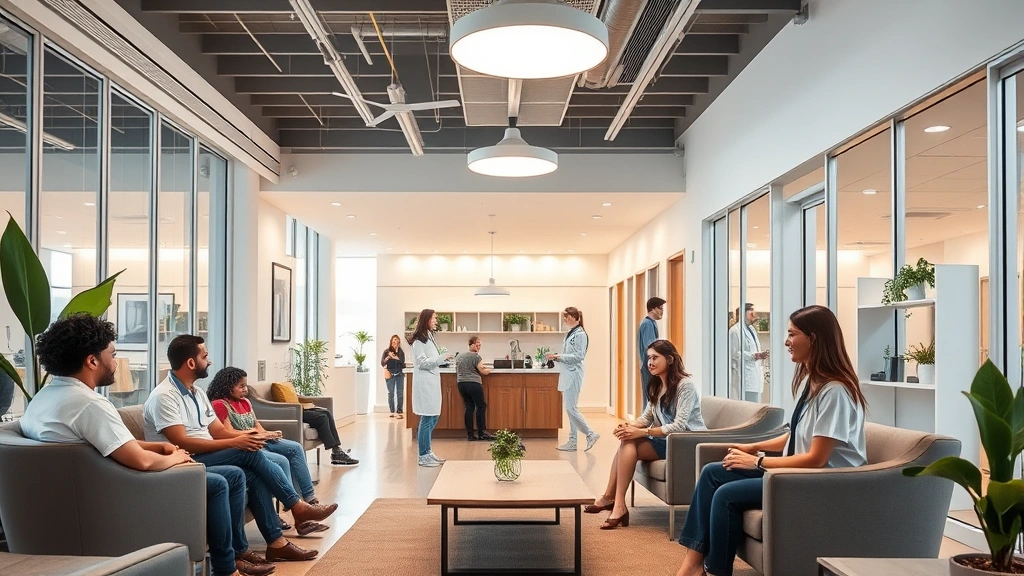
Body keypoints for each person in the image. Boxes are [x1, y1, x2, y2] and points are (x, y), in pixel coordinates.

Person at [19, 314, 264, 576]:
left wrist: (160, 447)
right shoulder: (90, 404)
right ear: (92, 360)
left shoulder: (43, 398)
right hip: (115, 498)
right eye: (112, 355)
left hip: (77, 497)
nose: (115, 363)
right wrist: (178, 457)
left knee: (229, 475)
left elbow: (110, 444)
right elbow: (142, 462)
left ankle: (230, 562)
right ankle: (226, 569)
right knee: (218, 482)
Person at [675, 305, 867, 576]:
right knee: (711, 473)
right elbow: (797, 433)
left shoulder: (834, 391)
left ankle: (715, 570)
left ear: (814, 338)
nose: (786, 342)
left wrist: (758, 461)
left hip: (822, 483)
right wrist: (753, 446)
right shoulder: (813, 383)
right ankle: (693, 565)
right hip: (797, 474)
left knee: (725, 495)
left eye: (792, 334)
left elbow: (817, 459)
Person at [144, 334, 336, 563]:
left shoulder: (197, 393)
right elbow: (182, 443)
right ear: (191, 363)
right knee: (249, 453)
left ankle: (276, 543)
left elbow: (217, 431)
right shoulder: (164, 396)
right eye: (205, 356)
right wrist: (237, 443)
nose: (210, 361)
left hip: (206, 453)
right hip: (185, 459)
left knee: (252, 472)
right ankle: (297, 507)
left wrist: (247, 435)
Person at [588, 339, 705, 530]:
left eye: (655, 358)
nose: (650, 362)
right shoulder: (656, 385)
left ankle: (613, 501)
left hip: (686, 443)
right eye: (649, 358)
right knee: (628, 441)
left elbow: (679, 426)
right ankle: (616, 503)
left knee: (632, 441)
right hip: (668, 441)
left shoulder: (686, 386)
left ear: (669, 359)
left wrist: (641, 432)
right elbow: (646, 417)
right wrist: (628, 427)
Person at [207, 367, 329, 537]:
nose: (245, 390)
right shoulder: (219, 405)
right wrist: (257, 435)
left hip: (260, 439)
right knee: (281, 460)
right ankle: (298, 509)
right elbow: (227, 433)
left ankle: (309, 500)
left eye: (245, 385)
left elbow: (257, 425)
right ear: (228, 386)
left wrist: (267, 434)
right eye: (241, 386)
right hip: (245, 443)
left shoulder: (246, 402)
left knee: (295, 448)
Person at [547, 307, 599, 452]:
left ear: (577, 318)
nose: (565, 319)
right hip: (568, 373)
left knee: (571, 408)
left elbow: (579, 356)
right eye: (565, 317)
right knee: (570, 409)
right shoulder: (570, 334)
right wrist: (557, 357)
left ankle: (590, 434)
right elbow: (569, 354)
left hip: (574, 373)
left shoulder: (581, 335)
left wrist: (558, 356)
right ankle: (572, 442)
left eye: (568, 317)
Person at [408, 308, 454, 467]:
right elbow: (422, 363)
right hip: (425, 384)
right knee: (427, 418)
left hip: (432, 382)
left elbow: (431, 359)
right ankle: (423, 455)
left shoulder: (429, 338)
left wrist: (441, 358)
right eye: (434, 318)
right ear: (426, 320)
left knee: (433, 416)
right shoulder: (418, 341)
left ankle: (428, 451)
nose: (436, 321)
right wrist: (440, 358)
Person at [455, 336, 494, 441]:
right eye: (477, 344)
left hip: (461, 384)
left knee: (469, 407)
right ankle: (482, 433)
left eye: (480, 344)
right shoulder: (476, 356)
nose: (478, 346)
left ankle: (470, 435)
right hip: (473, 383)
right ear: (470, 344)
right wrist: (489, 370)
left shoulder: (459, 357)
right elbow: (482, 370)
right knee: (481, 406)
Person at [729, 303, 768, 402]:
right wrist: (753, 356)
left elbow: (754, 349)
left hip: (755, 375)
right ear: (742, 314)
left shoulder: (751, 329)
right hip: (745, 377)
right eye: (751, 314)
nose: (754, 317)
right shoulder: (734, 331)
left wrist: (760, 354)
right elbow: (734, 354)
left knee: (756, 406)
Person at [637, 297, 666, 411]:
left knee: (651, 396)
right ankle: (646, 424)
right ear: (653, 309)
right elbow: (650, 348)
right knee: (650, 397)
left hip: (650, 367)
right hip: (649, 367)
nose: (662, 311)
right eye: (660, 308)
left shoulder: (651, 323)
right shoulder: (647, 324)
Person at [381, 335, 406, 419]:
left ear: (399, 343)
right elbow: (382, 363)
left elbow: (403, 364)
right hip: (390, 374)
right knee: (390, 393)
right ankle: (392, 411)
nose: (395, 343)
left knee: (400, 393)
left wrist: (396, 358)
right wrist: (389, 357)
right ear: (391, 342)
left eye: (397, 341)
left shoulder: (401, 352)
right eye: (394, 341)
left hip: (399, 374)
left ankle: (399, 411)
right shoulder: (386, 352)